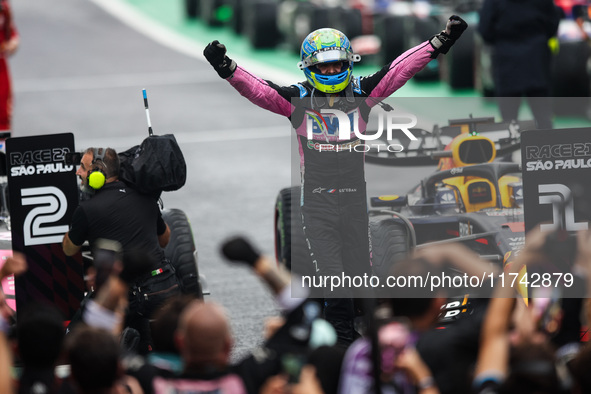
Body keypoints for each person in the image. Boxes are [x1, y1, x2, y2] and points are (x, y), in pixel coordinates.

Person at [203, 16, 468, 345]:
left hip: (355, 202)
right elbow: (258, 89)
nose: (330, 72)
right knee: (335, 284)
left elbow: (399, 70)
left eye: (336, 66)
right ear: (308, 68)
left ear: (348, 64)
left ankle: (370, 347)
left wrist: (441, 41)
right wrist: (226, 66)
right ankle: (340, 349)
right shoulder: (295, 100)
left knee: (362, 283)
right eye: (323, 67)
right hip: (317, 206)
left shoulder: (363, 94)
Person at [62, 147, 179, 354]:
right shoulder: (146, 197)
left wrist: (73, 228)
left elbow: (69, 249)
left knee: (73, 344)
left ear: (97, 174)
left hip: (120, 296)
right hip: (162, 288)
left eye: (82, 167)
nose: (77, 172)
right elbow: (165, 239)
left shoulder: (86, 210)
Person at [478, 0, 560, 130]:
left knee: (508, 121)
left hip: (507, 61)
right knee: (543, 118)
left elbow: (485, 30)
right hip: (536, 60)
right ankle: (548, 147)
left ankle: (508, 149)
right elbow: (553, 24)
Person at [0, 0, 17, 134]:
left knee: (3, 113)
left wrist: (12, 43)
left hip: (1, 66)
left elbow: (11, 34)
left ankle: (2, 149)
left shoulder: (4, 6)